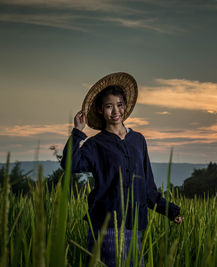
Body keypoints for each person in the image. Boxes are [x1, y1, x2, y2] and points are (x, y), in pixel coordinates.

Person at [60, 72, 183, 267]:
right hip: (106, 225)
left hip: (134, 225)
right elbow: (70, 164)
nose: (115, 111)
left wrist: (170, 211)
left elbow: (147, 187)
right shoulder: (96, 144)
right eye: (109, 106)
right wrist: (77, 132)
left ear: (125, 107)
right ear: (101, 110)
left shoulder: (138, 140)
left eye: (119, 105)